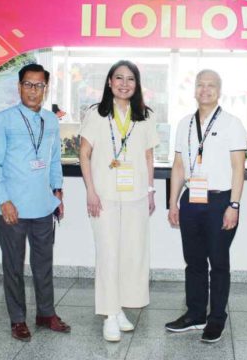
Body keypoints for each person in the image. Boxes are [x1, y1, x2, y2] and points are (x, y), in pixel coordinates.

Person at [0, 63, 70, 342]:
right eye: (28, 85)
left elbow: (54, 159)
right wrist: (3, 200)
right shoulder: (4, 119)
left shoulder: (51, 120)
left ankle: (46, 313)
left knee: (44, 263)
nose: (34, 91)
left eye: (40, 85)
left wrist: (57, 191)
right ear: (19, 87)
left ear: (46, 89)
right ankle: (18, 319)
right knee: (14, 265)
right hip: (13, 207)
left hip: (44, 205)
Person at [79, 60, 159, 342]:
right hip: (104, 197)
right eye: (119, 78)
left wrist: (150, 192)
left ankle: (119, 308)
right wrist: (90, 190)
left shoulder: (145, 116)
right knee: (108, 254)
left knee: (130, 255)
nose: (124, 84)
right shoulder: (96, 114)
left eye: (130, 79)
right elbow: (84, 155)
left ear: (137, 85)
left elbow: (149, 157)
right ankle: (109, 315)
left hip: (136, 196)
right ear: (109, 82)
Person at [165, 69, 246, 343]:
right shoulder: (184, 123)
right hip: (191, 200)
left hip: (220, 200)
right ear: (194, 89)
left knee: (219, 262)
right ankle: (196, 314)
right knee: (194, 261)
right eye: (201, 85)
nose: (205, 90)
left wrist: (233, 205)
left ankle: (216, 319)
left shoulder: (232, 123)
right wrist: (173, 202)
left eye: (211, 85)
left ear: (219, 90)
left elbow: (238, 168)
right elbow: (178, 165)